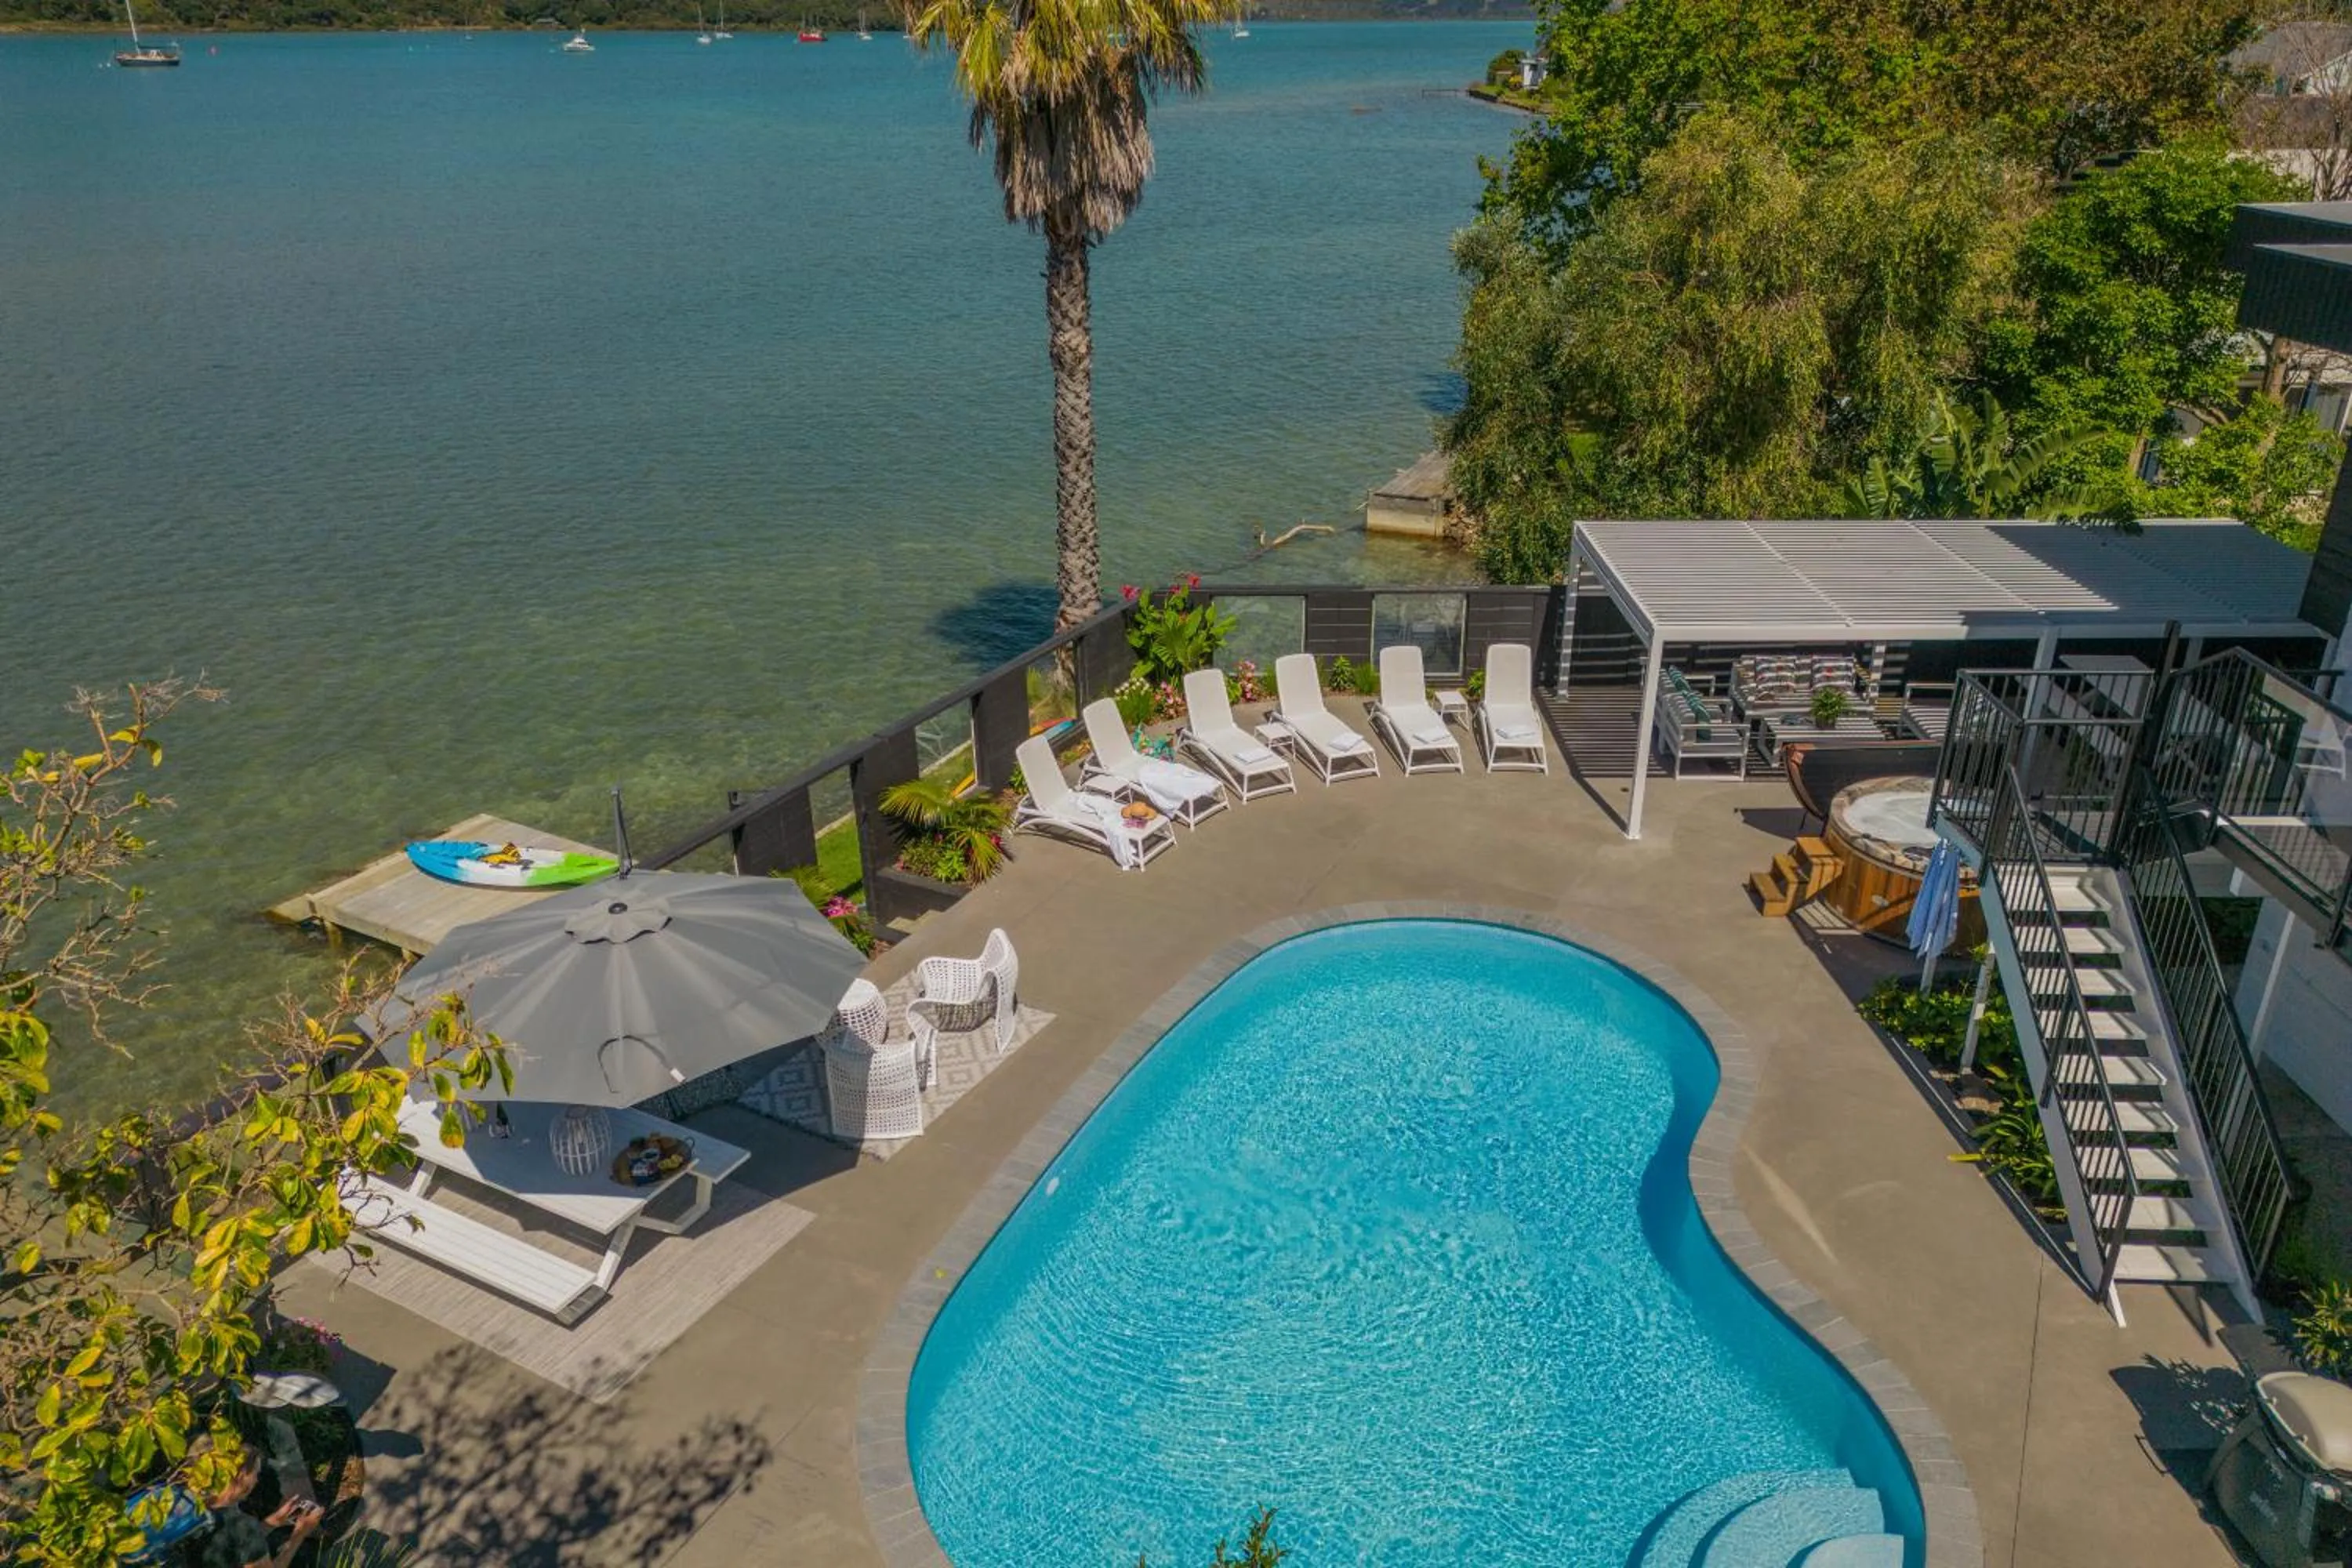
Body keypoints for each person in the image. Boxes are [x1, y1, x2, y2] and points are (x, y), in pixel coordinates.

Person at [186, 1430, 323, 1568]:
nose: (257, 1480)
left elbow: (239, 1543)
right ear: (241, 1475)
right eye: (255, 1474)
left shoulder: (188, 1507)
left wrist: (275, 1521)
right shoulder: (242, 1525)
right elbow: (243, 1536)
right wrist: (299, 1535)